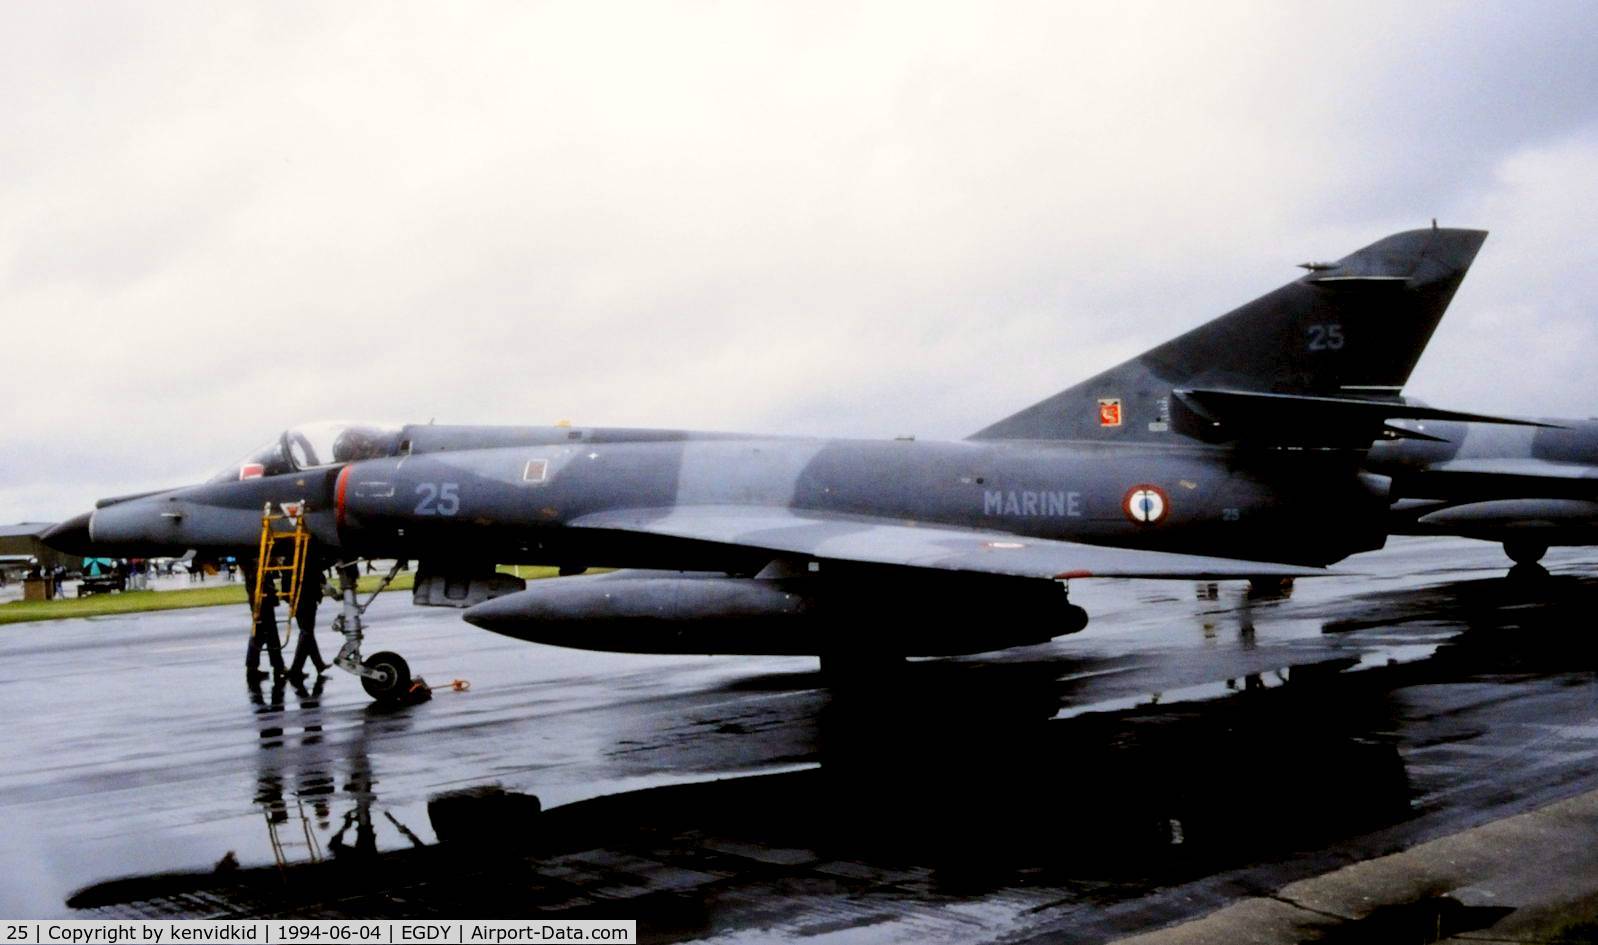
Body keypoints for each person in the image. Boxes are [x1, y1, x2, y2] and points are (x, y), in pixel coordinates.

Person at [243, 566, 289, 680]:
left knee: (261, 634)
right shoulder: (256, 564)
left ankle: (253, 667)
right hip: (262, 602)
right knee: (269, 635)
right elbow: (260, 582)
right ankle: (277, 666)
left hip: (261, 601)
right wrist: (273, 593)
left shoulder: (254, 562)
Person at [286, 567, 330, 678]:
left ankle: (318, 664)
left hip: (298, 597)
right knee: (306, 634)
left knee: (307, 633)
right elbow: (316, 572)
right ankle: (296, 669)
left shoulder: (293, 558)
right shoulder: (306, 557)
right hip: (306, 598)